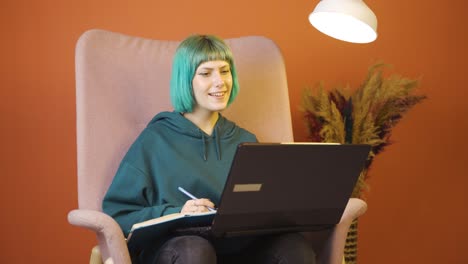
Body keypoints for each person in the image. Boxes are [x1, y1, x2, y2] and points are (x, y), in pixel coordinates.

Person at [102, 34, 316, 264]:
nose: (220, 82)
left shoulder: (245, 140)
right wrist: (177, 212)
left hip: (238, 247)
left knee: (294, 247)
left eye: (224, 71)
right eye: (206, 73)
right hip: (180, 248)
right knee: (195, 251)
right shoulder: (154, 141)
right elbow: (118, 214)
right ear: (186, 80)